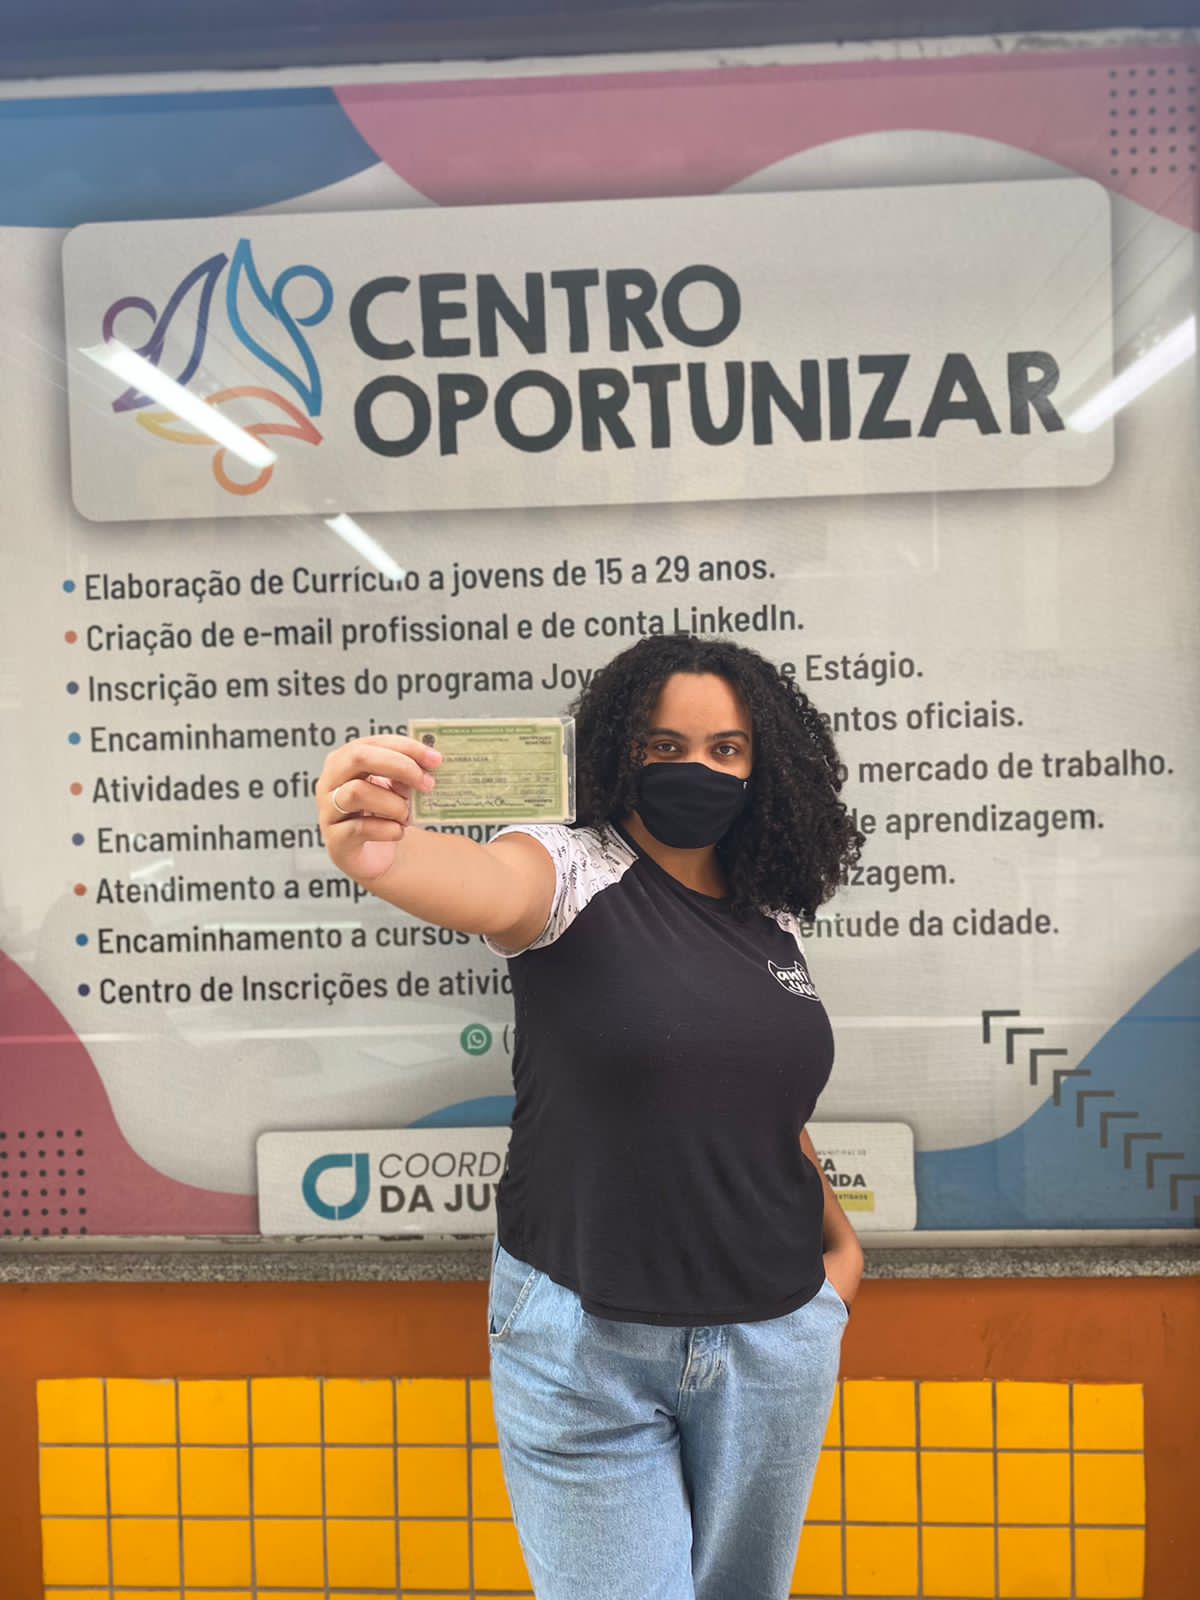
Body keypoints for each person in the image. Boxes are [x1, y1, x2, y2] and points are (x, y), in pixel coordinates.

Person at [317, 633, 865, 1600]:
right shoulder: (566, 867)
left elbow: (768, 1108)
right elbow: (481, 883)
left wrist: (839, 1259)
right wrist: (376, 848)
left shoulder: (768, 917)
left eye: (726, 748)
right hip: (588, 1345)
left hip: (773, 1337)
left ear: (762, 764)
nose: (697, 768)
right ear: (620, 750)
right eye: (665, 745)